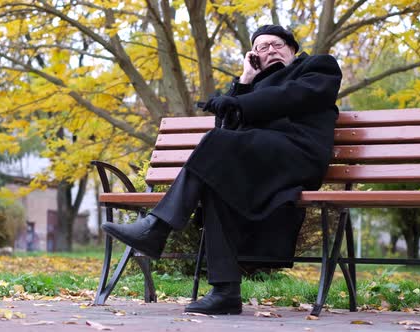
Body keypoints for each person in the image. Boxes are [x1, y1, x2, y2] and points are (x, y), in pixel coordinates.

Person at [102, 24, 342, 315]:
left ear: (292, 49)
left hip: (297, 156)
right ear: (255, 57)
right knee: (216, 184)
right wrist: (245, 80)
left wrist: (241, 100)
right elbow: (226, 133)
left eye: (277, 44)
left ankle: (157, 228)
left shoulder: (317, 67)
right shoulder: (252, 87)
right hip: (262, 167)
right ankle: (225, 291)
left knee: (217, 150)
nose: (271, 51)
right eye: (262, 48)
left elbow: (293, 96)